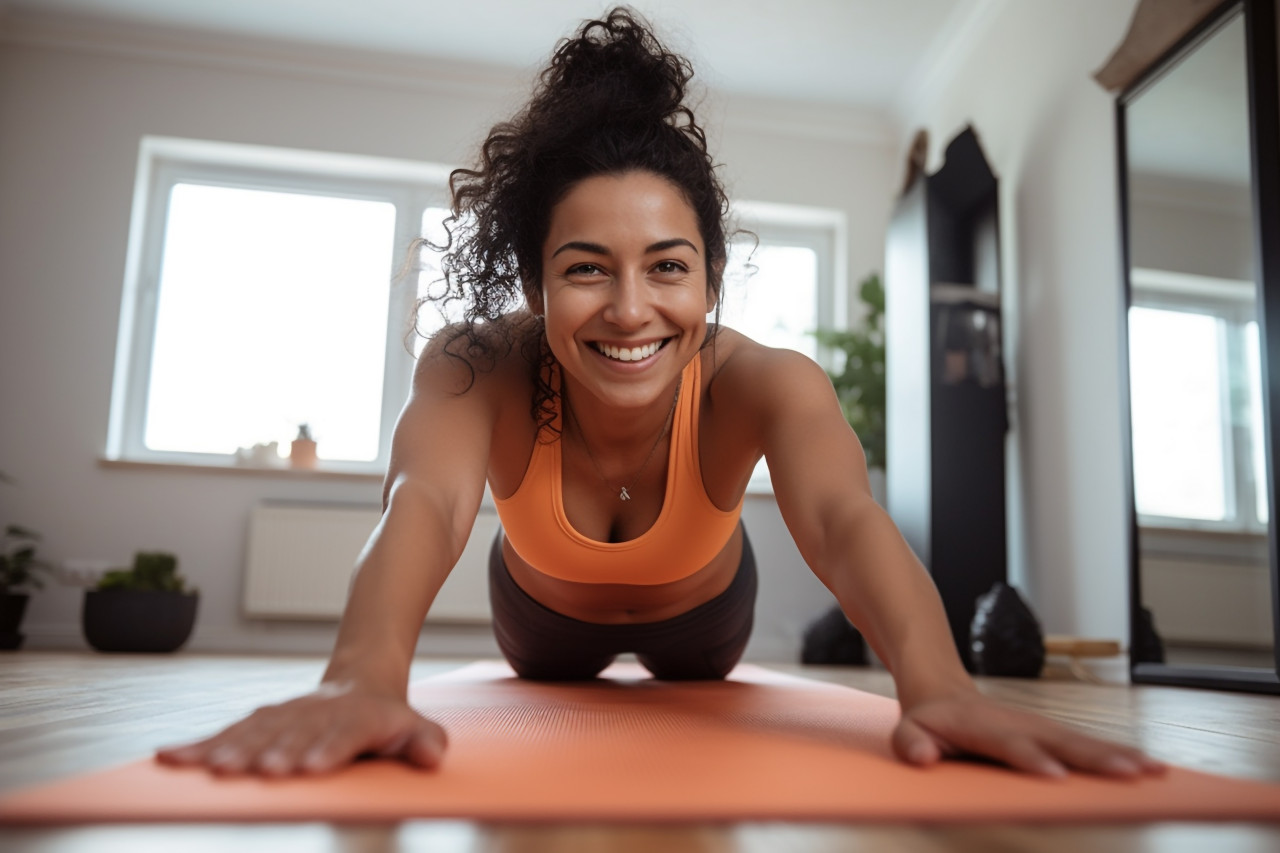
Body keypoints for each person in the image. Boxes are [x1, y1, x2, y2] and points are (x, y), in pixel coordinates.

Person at [158, 8, 1164, 781]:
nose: (629, 310)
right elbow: (419, 503)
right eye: (586, 268)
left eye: (668, 267)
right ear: (536, 281)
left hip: (704, 624)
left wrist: (939, 686)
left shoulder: (767, 382)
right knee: (541, 652)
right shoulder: (473, 366)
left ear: (712, 280)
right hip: (538, 623)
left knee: (701, 660)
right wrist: (361, 680)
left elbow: (842, 518)